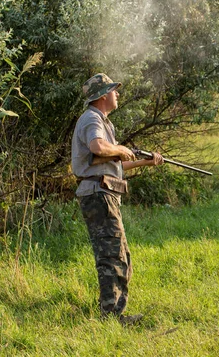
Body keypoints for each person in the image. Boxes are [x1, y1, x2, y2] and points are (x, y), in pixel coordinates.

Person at [71, 73, 164, 325]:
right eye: (113, 90)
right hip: (99, 194)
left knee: (119, 254)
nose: (117, 94)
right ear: (102, 96)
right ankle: (112, 318)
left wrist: (145, 160)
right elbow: (99, 148)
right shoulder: (92, 118)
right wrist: (122, 149)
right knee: (112, 256)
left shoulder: (103, 122)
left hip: (104, 192)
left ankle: (113, 309)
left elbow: (113, 164)